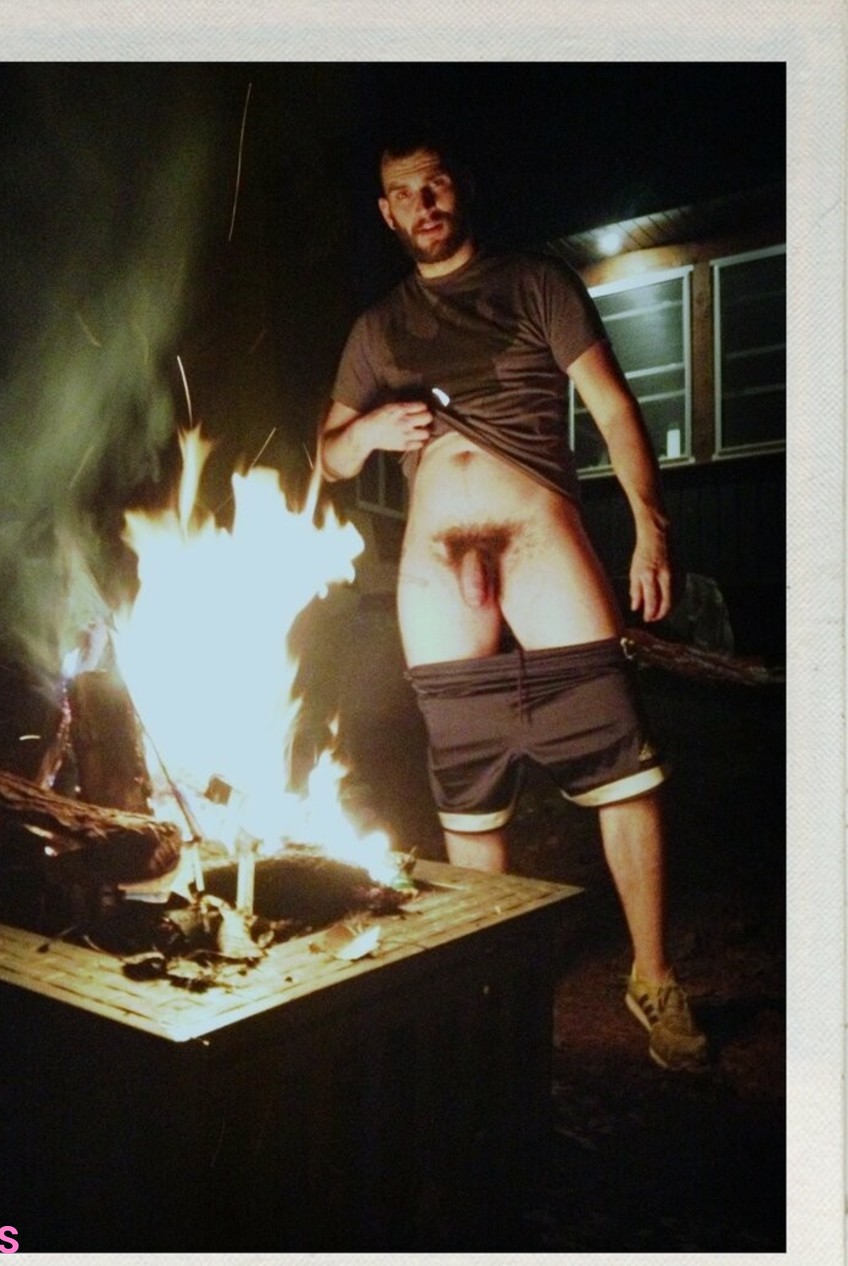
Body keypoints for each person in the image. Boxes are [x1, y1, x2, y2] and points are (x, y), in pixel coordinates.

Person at [319, 133, 708, 1071]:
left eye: (435, 184)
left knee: (619, 758)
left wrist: (651, 530)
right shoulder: (377, 327)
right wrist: (368, 430)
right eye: (404, 193)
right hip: (433, 561)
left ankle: (653, 976)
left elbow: (613, 408)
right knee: (469, 786)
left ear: (460, 187)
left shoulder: (535, 283)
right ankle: (487, 997)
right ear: (386, 211)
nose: (423, 204)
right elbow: (328, 456)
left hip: (538, 536)